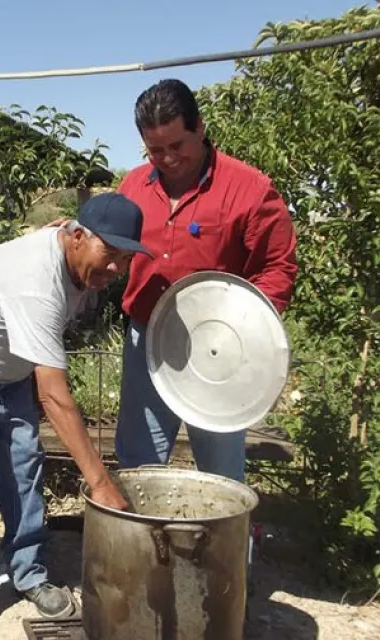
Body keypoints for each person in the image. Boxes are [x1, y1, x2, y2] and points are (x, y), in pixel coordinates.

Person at [0, 193, 147, 640]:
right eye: (110, 253)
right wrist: (100, 482)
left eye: (124, 258)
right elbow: (55, 395)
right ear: (77, 236)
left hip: (10, 372)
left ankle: (28, 572)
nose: (115, 269)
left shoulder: (71, 252)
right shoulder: (35, 281)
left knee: (25, 470)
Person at [115, 79, 297, 482]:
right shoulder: (133, 185)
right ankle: (141, 543)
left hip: (217, 346)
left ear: (199, 128)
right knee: (138, 461)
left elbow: (277, 268)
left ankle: (222, 543)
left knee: (220, 471)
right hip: (147, 339)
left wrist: (241, 331)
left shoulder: (250, 190)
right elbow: (111, 245)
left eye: (177, 145)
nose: (167, 158)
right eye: (155, 150)